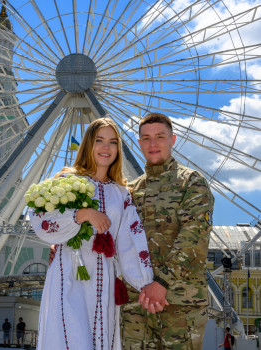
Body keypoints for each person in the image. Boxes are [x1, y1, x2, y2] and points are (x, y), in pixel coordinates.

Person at [29, 118, 154, 350]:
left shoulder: (122, 194)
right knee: (72, 337)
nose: (106, 148)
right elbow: (40, 219)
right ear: (88, 144)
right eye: (99, 141)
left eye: (113, 142)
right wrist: (82, 214)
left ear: (119, 149)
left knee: (99, 337)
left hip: (104, 277)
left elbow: (129, 241)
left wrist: (145, 283)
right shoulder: (67, 181)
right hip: (69, 271)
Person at [122, 112, 214, 349]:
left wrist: (161, 283)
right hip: (137, 305)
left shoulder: (191, 182)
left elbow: (193, 238)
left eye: (160, 137)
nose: (153, 144)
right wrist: (62, 245)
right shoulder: (129, 191)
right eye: (146, 138)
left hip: (180, 305)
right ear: (139, 143)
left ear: (172, 140)